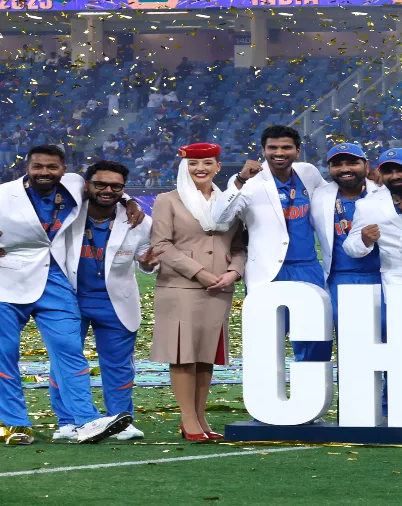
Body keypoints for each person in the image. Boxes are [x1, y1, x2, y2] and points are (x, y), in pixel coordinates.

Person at [0, 145, 137, 444]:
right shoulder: (3, 195)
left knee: (69, 350)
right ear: (27, 167)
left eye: (52, 167)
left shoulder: (75, 184)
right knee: (3, 354)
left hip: (55, 278)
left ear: (64, 169)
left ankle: (86, 421)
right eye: (38, 167)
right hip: (6, 279)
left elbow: (110, 189)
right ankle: (15, 424)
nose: (45, 172)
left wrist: (130, 202)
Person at [49, 161, 160, 442]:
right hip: (69, 298)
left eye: (116, 186)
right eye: (100, 184)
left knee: (119, 365)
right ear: (87, 185)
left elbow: (148, 259)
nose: (107, 190)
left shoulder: (139, 221)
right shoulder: (70, 210)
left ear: (124, 188)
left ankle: (121, 420)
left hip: (116, 301)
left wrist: (148, 264)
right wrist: (128, 198)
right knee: (64, 361)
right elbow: (71, 177)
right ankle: (68, 422)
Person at [150, 143, 245, 441]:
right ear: (184, 167)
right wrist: (200, 273)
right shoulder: (168, 200)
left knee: (206, 356)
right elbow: (161, 245)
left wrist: (234, 272)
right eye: (193, 164)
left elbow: (240, 245)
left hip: (219, 288)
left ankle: (201, 419)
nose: (199, 169)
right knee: (183, 355)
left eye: (206, 163)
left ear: (218, 167)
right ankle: (188, 420)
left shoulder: (231, 202)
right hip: (181, 287)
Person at [212, 126, 327, 361]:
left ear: (297, 150)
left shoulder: (309, 173)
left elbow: (331, 197)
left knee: (313, 338)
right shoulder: (249, 181)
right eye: (272, 148)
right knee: (265, 342)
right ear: (263, 150)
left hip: (308, 267)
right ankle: (265, 394)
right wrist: (241, 179)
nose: (279, 153)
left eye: (286, 147)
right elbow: (220, 219)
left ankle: (310, 391)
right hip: (267, 270)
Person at [307, 143, 379, 362]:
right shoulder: (319, 196)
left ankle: (387, 396)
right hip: (341, 277)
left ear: (366, 166)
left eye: (352, 163)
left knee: (387, 338)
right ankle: (351, 395)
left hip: (383, 275)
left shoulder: (384, 191)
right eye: (337, 164)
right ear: (328, 168)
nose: (345, 168)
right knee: (349, 342)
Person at [344, 148, 402, 309]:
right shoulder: (368, 205)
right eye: (388, 171)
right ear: (380, 174)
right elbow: (349, 246)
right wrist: (364, 240)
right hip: (401, 283)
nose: (395, 176)